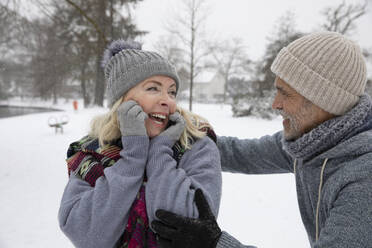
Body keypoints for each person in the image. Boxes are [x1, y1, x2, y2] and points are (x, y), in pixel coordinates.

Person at [151, 31, 372, 248]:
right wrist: (182, 134)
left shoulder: (363, 180)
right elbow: (241, 154)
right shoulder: (311, 143)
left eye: (285, 93)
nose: (275, 104)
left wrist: (214, 243)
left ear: (324, 100)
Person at [58, 39, 222, 248]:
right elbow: (88, 237)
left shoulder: (197, 146)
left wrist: (159, 152)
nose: (168, 101)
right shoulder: (92, 152)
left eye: (172, 92)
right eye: (153, 88)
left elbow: (190, 225)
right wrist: (133, 156)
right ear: (122, 100)